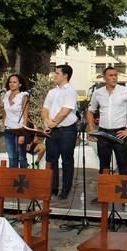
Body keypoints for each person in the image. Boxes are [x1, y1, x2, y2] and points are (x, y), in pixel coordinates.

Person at [87, 67, 127, 203]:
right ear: (104, 78)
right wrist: (92, 129)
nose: (114, 78)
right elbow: (90, 111)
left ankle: (126, 197)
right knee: (104, 166)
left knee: (123, 164)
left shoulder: (125, 92)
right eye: (111, 75)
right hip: (103, 132)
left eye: (115, 75)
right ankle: (104, 195)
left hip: (120, 132)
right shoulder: (98, 93)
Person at [42, 64, 78, 199]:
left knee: (67, 160)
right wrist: (47, 122)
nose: (54, 76)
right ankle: (53, 187)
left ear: (65, 75)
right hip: (53, 130)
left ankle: (66, 189)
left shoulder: (71, 91)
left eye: (57, 73)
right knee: (51, 159)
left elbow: (65, 111)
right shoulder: (52, 92)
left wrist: (53, 123)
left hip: (67, 130)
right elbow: (44, 109)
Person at [2, 74, 29, 168]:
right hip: (8, 129)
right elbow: (4, 112)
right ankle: (13, 178)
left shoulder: (23, 96)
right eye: (10, 82)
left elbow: (26, 116)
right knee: (11, 156)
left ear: (20, 84)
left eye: (14, 82)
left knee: (21, 157)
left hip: (19, 129)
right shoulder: (6, 94)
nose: (11, 84)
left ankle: (23, 179)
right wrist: (3, 125)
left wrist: (22, 133)